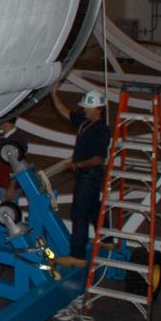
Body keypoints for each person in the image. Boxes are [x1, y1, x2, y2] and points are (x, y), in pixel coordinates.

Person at [50, 85, 111, 262]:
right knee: (93, 207)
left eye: (88, 107)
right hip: (87, 175)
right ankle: (107, 239)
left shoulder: (101, 130)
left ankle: (77, 255)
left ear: (98, 110)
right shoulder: (85, 123)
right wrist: (54, 94)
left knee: (79, 213)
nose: (84, 109)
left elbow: (98, 159)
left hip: (89, 175)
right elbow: (65, 112)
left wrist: (77, 165)